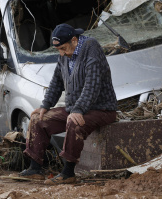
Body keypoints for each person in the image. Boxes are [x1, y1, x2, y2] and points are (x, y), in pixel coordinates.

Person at [19, 23, 118, 185]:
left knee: (74, 122)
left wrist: (78, 109)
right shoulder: (65, 54)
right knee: (38, 118)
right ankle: (35, 168)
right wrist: (45, 105)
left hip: (102, 109)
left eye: (63, 48)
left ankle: (68, 172)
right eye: (59, 50)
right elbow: (56, 81)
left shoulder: (91, 48)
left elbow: (92, 84)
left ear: (74, 40)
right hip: (76, 108)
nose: (61, 53)